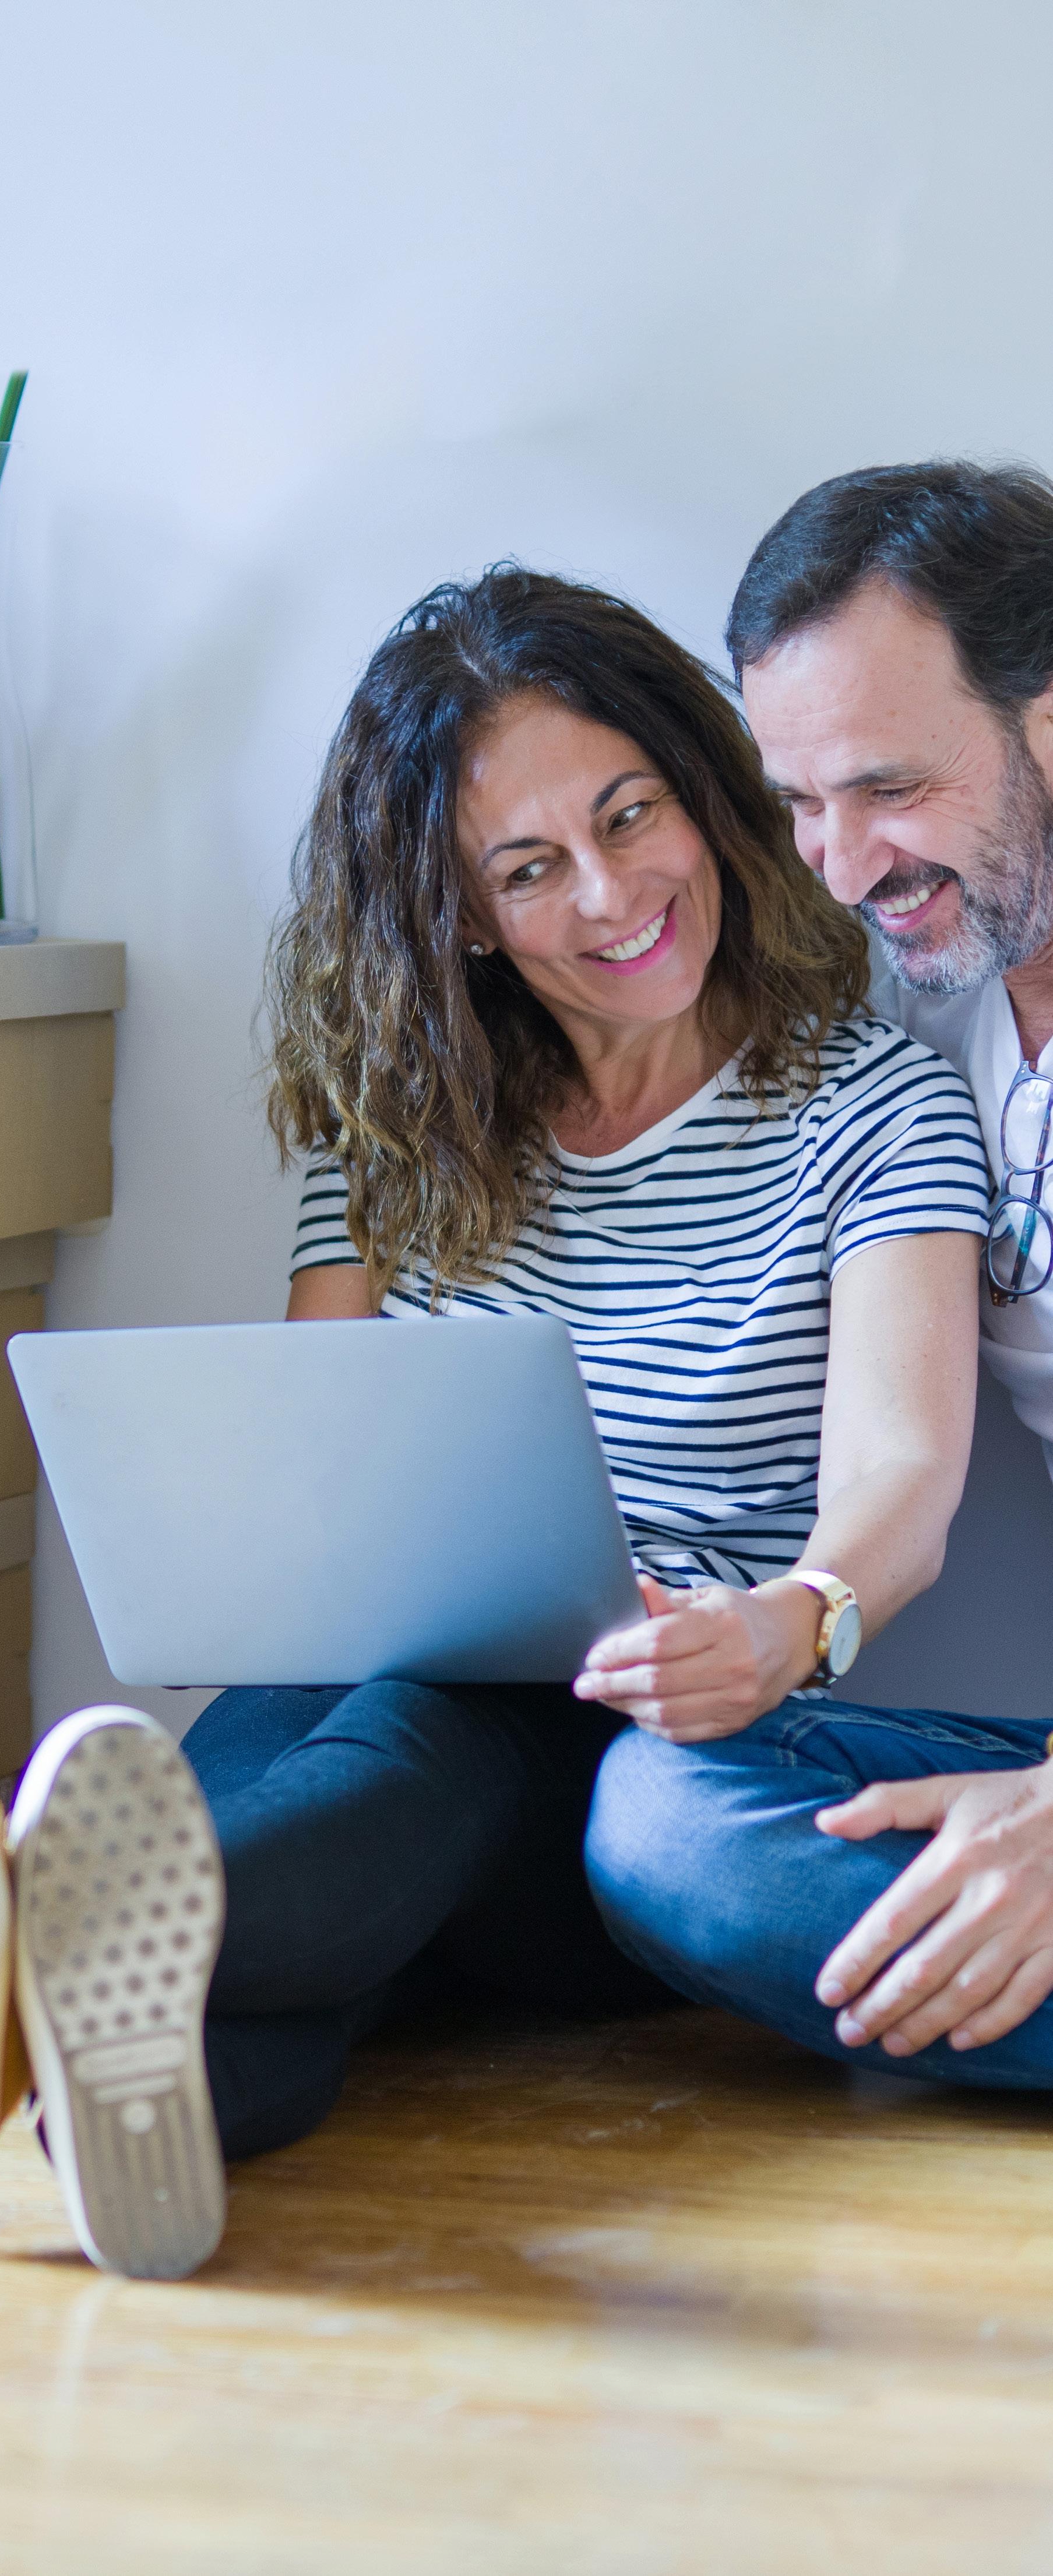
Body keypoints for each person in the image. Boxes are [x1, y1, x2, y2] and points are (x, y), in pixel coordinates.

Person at [0, 567, 989, 2282]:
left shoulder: (875, 1108)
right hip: (354, 1756)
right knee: (255, 1948)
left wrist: (790, 1623)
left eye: (630, 814)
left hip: (630, 1761)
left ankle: (2, 1915)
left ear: (704, 796)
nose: (611, 893)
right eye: (528, 868)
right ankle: (92, 2070)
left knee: (415, 1740)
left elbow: (901, 1475)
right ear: (466, 918)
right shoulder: (397, 1137)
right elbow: (321, 1492)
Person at [589, 463, 1053, 2081]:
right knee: (668, 1821)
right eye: (799, 803)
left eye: (887, 789)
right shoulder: (939, 990)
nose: (842, 867)